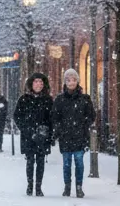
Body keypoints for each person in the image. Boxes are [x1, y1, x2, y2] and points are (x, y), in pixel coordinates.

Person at [53, 69, 96, 198]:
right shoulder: (60, 100)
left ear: (77, 81)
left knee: (79, 163)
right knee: (66, 164)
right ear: (65, 82)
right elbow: (55, 117)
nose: (71, 82)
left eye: (73, 79)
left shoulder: (85, 99)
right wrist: (60, 128)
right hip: (65, 136)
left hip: (80, 136)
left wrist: (83, 124)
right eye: (68, 80)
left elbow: (91, 115)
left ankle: (79, 187)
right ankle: (67, 186)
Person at [14, 72, 54, 197]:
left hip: (43, 136)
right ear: (31, 83)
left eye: (41, 82)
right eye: (36, 82)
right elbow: (17, 116)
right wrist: (26, 129)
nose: (39, 85)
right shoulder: (24, 99)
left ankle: (38, 187)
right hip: (28, 136)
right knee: (30, 161)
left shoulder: (48, 100)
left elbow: (52, 118)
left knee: (41, 161)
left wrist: (49, 133)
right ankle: (30, 185)